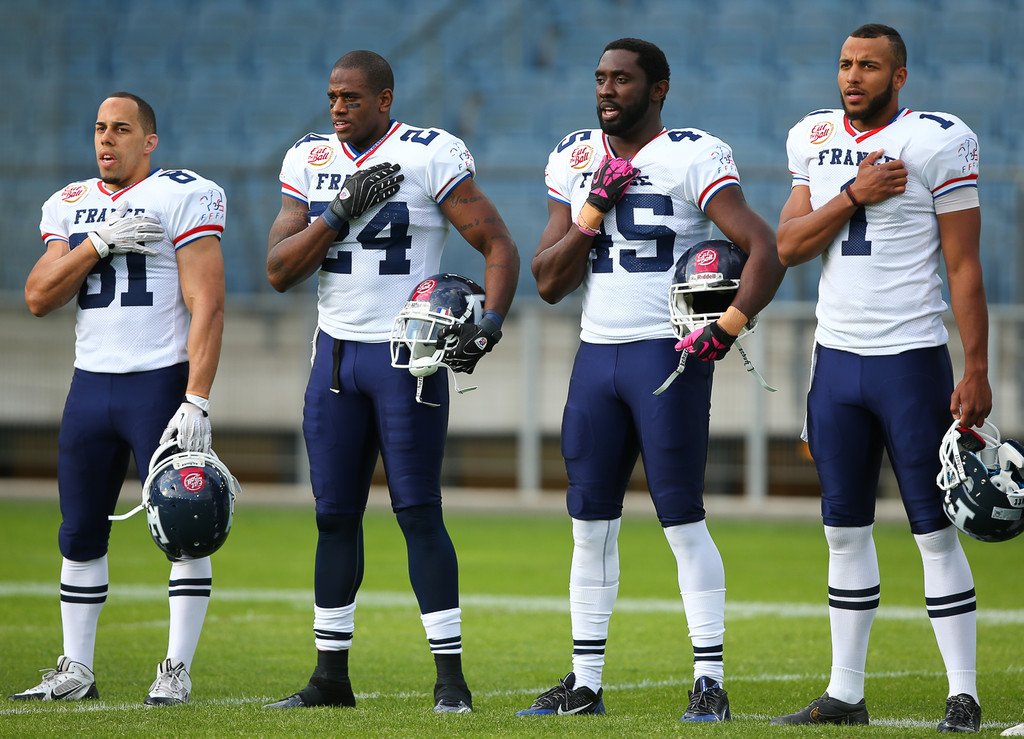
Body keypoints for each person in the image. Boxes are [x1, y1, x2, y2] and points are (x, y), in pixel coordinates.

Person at [518, 38, 783, 721]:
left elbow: (766, 248)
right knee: (588, 525)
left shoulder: (691, 154)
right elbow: (547, 280)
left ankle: (709, 681)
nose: (607, 90)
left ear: (658, 88)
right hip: (596, 356)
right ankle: (584, 683)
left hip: (666, 357)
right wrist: (591, 211)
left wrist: (730, 323)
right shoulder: (575, 156)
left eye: (623, 79)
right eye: (600, 78)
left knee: (681, 519)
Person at [263, 50, 519, 714]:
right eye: (332, 97)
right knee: (332, 515)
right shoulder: (309, 160)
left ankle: (450, 680)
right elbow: (279, 270)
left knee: (418, 511)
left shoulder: (429, 154)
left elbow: (498, 244)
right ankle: (330, 678)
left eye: (351, 97)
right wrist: (337, 213)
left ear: (384, 99)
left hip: (408, 358)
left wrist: (490, 323)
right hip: (335, 357)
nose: (338, 108)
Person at [770, 24, 990, 733]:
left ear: (899, 77)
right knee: (843, 531)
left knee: (935, 531)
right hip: (836, 362)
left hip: (911, 360)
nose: (852, 76)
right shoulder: (812, 137)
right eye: (845, 63)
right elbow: (787, 245)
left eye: (869, 65)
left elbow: (963, 265)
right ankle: (844, 693)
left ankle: (963, 694)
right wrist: (855, 194)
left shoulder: (937, 140)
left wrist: (977, 366)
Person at [13, 93, 228, 706]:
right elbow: (38, 296)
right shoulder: (70, 204)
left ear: (149, 140)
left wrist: (196, 397)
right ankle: (76, 669)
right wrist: (97, 244)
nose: (106, 139)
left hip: (158, 383)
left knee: (187, 525)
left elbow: (208, 303)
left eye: (122, 129)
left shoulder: (182, 195)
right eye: (100, 128)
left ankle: (176, 670)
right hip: (89, 385)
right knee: (79, 530)